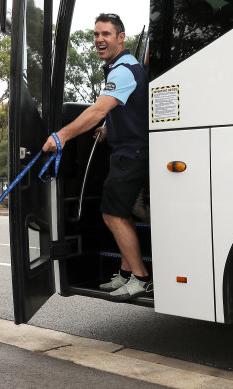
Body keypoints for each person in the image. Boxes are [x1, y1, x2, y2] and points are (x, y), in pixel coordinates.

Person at [42, 13, 150, 301]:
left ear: (120, 38)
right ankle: (126, 274)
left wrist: (62, 136)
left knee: (113, 215)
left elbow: (98, 109)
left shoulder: (124, 70)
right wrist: (108, 130)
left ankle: (140, 277)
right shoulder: (122, 68)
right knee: (119, 214)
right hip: (126, 151)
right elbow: (124, 112)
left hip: (131, 155)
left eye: (106, 34)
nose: (99, 39)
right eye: (96, 34)